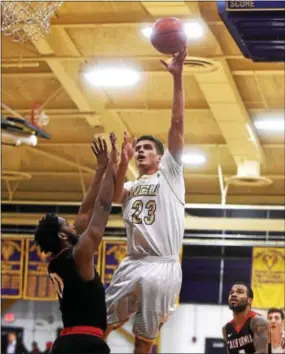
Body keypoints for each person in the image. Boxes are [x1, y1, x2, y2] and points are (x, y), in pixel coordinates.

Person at [104, 47, 187, 354]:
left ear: (161, 156)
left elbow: (177, 125)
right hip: (132, 262)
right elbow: (113, 198)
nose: (140, 151)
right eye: (137, 148)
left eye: (147, 148)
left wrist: (177, 77)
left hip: (163, 265)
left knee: (144, 340)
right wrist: (120, 161)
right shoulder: (129, 184)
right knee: (99, 323)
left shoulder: (171, 175)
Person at [34, 133, 118, 354]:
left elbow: (84, 214)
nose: (73, 224)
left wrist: (100, 168)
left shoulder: (58, 261)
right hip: (85, 344)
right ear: (62, 236)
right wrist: (112, 168)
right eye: (66, 224)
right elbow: (101, 208)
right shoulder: (79, 254)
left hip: (66, 342)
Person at [222, 283, 270, 353]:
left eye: (240, 292)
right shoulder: (226, 328)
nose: (233, 295)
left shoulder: (258, 322)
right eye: (231, 292)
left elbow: (262, 352)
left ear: (249, 300)